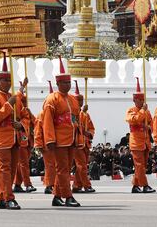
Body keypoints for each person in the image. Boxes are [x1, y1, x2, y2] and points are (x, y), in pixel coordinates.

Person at [41, 57, 81, 207]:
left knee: (64, 168)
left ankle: (57, 196)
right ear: (57, 83)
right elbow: (47, 122)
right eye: (64, 82)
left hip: (71, 139)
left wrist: (79, 137)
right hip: (58, 140)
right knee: (63, 169)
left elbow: (76, 119)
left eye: (69, 82)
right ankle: (68, 196)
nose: (67, 85)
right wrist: (49, 140)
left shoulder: (72, 99)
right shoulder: (51, 99)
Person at [0, 54, 24, 210]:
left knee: (11, 169)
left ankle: (1, 197)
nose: (7, 83)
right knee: (5, 168)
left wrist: (19, 124)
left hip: (14, 137)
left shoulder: (12, 97)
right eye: (4, 80)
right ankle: (9, 198)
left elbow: (21, 116)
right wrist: (9, 104)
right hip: (1, 138)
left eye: (9, 80)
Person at [126, 78, 154, 194]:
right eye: (139, 99)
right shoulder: (131, 110)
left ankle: (135, 185)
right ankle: (144, 185)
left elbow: (152, 124)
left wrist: (149, 128)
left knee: (142, 165)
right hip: (136, 142)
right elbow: (135, 120)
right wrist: (142, 111)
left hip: (146, 142)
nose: (141, 101)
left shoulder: (147, 112)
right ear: (134, 100)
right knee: (139, 165)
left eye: (143, 99)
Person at [71, 81, 95, 194]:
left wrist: (89, 134)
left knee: (82, 166)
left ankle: (76, 185)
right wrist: (82, 114)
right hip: (76, 143)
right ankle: (87, 185)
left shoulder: (86, 114)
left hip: (85, 143)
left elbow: (91, 128)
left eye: (81, 100)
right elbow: (74, 125)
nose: (80, 102)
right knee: (81, 166)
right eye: (78, 100)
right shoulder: (72, 113)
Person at [13, 80, 37, 193]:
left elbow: (35, 122)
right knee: (24, 164)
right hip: (20, 139)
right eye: (22, 100)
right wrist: (22, 87)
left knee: (21, 164)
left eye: (25, 100)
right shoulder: (16, 108)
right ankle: (28, 184)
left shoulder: (27, 111)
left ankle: (17, 184)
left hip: (28, 140)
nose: (24, 102)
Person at [36, 81, 55, 195]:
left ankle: (53, 184)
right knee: (50, 166)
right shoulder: (41, 115)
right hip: (46, 145)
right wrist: (39, 145)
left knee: (54, 166)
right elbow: (38, 131)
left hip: (55, 144)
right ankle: (49, 185)